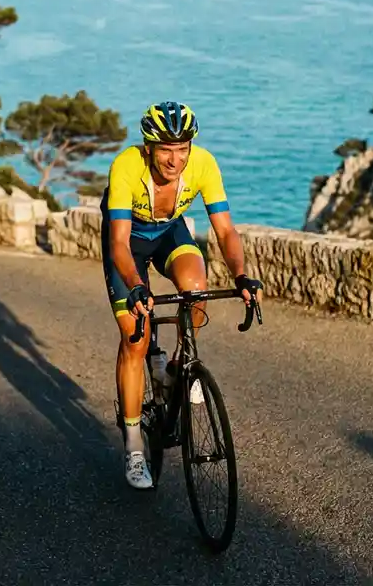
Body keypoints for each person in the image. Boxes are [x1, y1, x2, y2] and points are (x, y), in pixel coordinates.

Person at [100, 101, 261, 489]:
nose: (175, 160)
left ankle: (177, 368)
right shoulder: (126, 165)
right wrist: (137, 285)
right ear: (149, 148)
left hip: (170, 234)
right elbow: (119, 242)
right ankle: (135, 445)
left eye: (183, 149)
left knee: (196, 290)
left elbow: (224, 230)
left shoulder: (204, 164)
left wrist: (241, 276)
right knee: (135, 340)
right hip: (128, 245)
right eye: (167, 150)